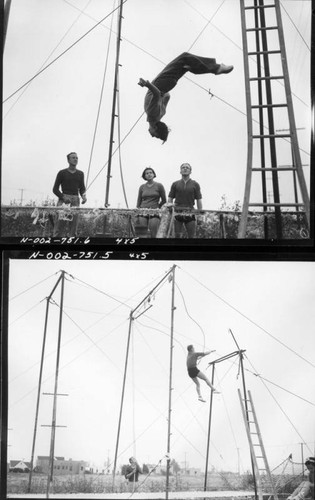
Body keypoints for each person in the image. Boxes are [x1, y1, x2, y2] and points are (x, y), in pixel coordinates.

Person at [138, 52, 233, 142]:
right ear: (156, 128)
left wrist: (162, 92)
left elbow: (167, 96)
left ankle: (215, 66)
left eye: (155, 136)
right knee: (184, 58)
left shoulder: (161, 114)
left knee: (187, 65)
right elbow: (158, 94)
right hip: (162, 83)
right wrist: (147, 84)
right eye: (156, 135)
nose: (153, 136)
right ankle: (216, 68)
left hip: (169, 84)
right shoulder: (152, 114)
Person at [52, 152, 87, 237]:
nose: (75, 159)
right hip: (64, 201)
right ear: (68, 160)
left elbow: (82, 188)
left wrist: (83, 196)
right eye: (73, 158)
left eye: (76, 158)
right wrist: (63, 197)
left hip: (75, 200)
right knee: (59, 227)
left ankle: (72, 248)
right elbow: (55, 189)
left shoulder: (80, 174)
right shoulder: (62, 173)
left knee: (73, 228)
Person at [168, 163, 202, 238]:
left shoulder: (195, 184)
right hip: (177, 212)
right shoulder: (175, 184)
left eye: (187, 168)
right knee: (177, 236)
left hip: (190, 211)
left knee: (191, 236)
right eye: (183, 167)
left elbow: (199, 200)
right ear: (180, 171)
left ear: (190, 171)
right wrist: (170, 211)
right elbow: (170, 198)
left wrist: (200, 215)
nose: (185, 168)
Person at [136, 167, 166, 237]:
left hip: (154, 211)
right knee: (142, 234)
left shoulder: (159, 185)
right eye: (147, 173)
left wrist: (158, 207)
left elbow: (164, 200)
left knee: (154, 232)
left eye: (150, 172)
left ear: (153, 174)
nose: (149, 174)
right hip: (143, 211)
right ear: (144, 176)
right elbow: (139, 200)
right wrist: (137, 212)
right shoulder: (142, 187)